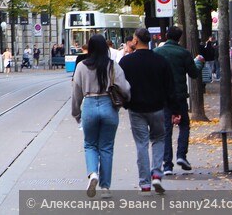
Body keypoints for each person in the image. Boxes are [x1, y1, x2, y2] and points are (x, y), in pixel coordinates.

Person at [71, 34, 131, 197]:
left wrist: (76, 113)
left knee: (90, 144)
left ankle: (93, 174)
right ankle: (105, 187)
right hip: (108, 106)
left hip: (89, 105)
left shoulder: (82, 66)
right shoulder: (112, 66)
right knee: (106, 147)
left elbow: (76, 92)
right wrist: (127, 100)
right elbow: (125, 88)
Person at [119, 28, 176, 193]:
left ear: (135, 40)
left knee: (141, 144)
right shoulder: (160, 60)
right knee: (159, 139)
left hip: (136, 108)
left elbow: (120, 85)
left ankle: (144, 183)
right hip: (157, 107)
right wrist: (174, 108)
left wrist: (125, 103)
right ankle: (157, 174)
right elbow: (169, 87)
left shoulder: (126, 62)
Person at [155, 26, 203, 176]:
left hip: (162, 97)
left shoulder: (157, 52)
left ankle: (167, 164)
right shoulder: (184, 53)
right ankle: (181, 155)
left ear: (166, 35)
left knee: (166, 130)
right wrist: (199, 63)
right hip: (179, 96)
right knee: (184, 125)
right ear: (179, 38)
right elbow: (193, 74)